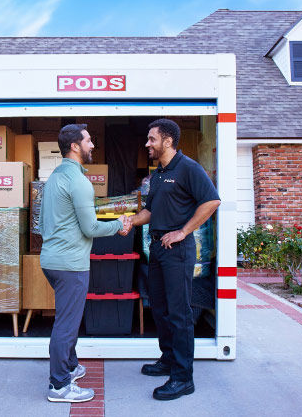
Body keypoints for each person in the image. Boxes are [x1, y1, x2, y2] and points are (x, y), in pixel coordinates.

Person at [125, 118, 220, 401]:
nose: (147, 144)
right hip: (157, 250)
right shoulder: (158, 174)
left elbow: (212, 201)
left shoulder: (188, 168)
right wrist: (128, 221)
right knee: (161, 309)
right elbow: (150, 213)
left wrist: (183, 231)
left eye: (152, 139)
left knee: (179, 314)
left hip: (177, 252)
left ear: (167, 141)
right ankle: (168, 360)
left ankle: (182, 377)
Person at [39, 123, 130, 403]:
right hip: (70, 265)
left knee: (68, 319)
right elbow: (90, 228)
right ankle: (59, 385)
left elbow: (42, 224)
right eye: (89, 141)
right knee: (66, 325)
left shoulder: (55, 176)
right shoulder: (79, 182)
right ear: (75, 146)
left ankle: (69, 366)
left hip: (52, 260)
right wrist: (118, 224)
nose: (93, 145)